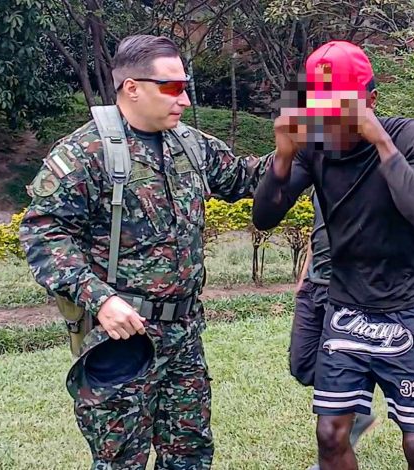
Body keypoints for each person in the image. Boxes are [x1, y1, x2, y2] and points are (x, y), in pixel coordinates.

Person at [19, 34, 272, 469]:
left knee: (190, 454)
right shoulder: (86, 152)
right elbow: (43, 232)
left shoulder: (190, 145)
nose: (186, 100)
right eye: (172, 87)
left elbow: (248, 179)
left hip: (185, 334)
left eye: (185, 86)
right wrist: (99, 300)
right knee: (122, 460)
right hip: (123, 339)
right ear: (131, 87)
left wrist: (309, 134)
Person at [253, 40, 414, 470]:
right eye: (318, 107)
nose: (329, 120)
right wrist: (284, 158)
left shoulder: (408, 133)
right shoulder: (315, 147)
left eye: (340, 108)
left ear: (370, 101)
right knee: (330, 434)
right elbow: (265, 216)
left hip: (411, 310)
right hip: (346, 309)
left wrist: (378, 139)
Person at [291, 189, 378, 470]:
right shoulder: (322, 176)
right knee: (301, 364)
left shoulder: (365, 176)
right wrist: (304, 275)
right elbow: (317, 232)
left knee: (340, 370)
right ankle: (355, 412)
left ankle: (346, 423)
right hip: (313, 285)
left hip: (347, 292)